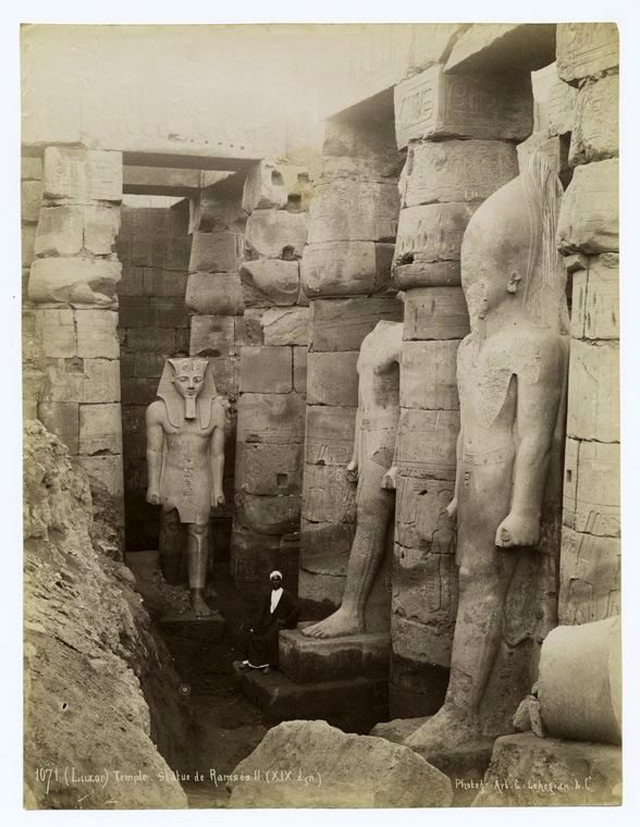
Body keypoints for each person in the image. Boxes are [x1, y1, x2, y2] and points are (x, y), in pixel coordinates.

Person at [146, 357, 227, 617]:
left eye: (197, 380)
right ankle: (170, 582)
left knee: (200, 530)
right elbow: (155, 451)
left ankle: (197, 593)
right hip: (171, 475)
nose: (191, 385)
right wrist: (153, 485)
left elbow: (216, 454)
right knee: (170, 526)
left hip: (201, 475)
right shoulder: (157, 410)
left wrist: (217, 488)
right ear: (172, 380)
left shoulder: (216, 411)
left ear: (205, 381)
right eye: (184, 379)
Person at [242, 571, 299, 673]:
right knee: (254, 634)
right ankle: (253, 662)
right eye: (273, 580)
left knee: (269, 637)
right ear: (271, 582)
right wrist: (255, 626)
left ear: (281, 581)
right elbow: (262, 612)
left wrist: (286, 620)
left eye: (277, 580)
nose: (275, 582)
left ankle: (270, 665)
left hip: (279, 623)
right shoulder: (268, 594)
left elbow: (296, 608)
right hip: (268, 621)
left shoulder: (286, 594)